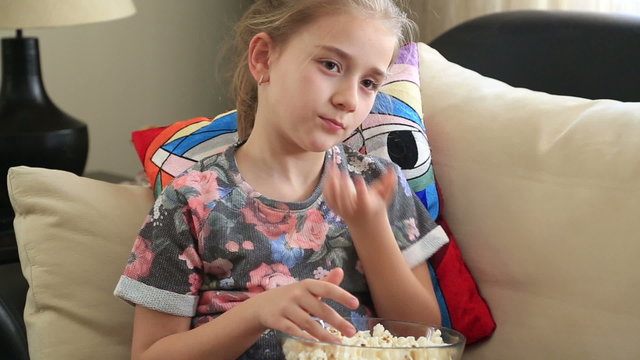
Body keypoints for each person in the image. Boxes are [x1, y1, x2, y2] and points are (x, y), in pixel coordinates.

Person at [114, 0, 449, 359]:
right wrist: (257, 313)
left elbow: (425, 338)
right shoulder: (190, 200)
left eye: (368, 83)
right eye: (330, 65)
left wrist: (372, 231)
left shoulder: (377, 185)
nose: (349, 99)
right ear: (263, 58)